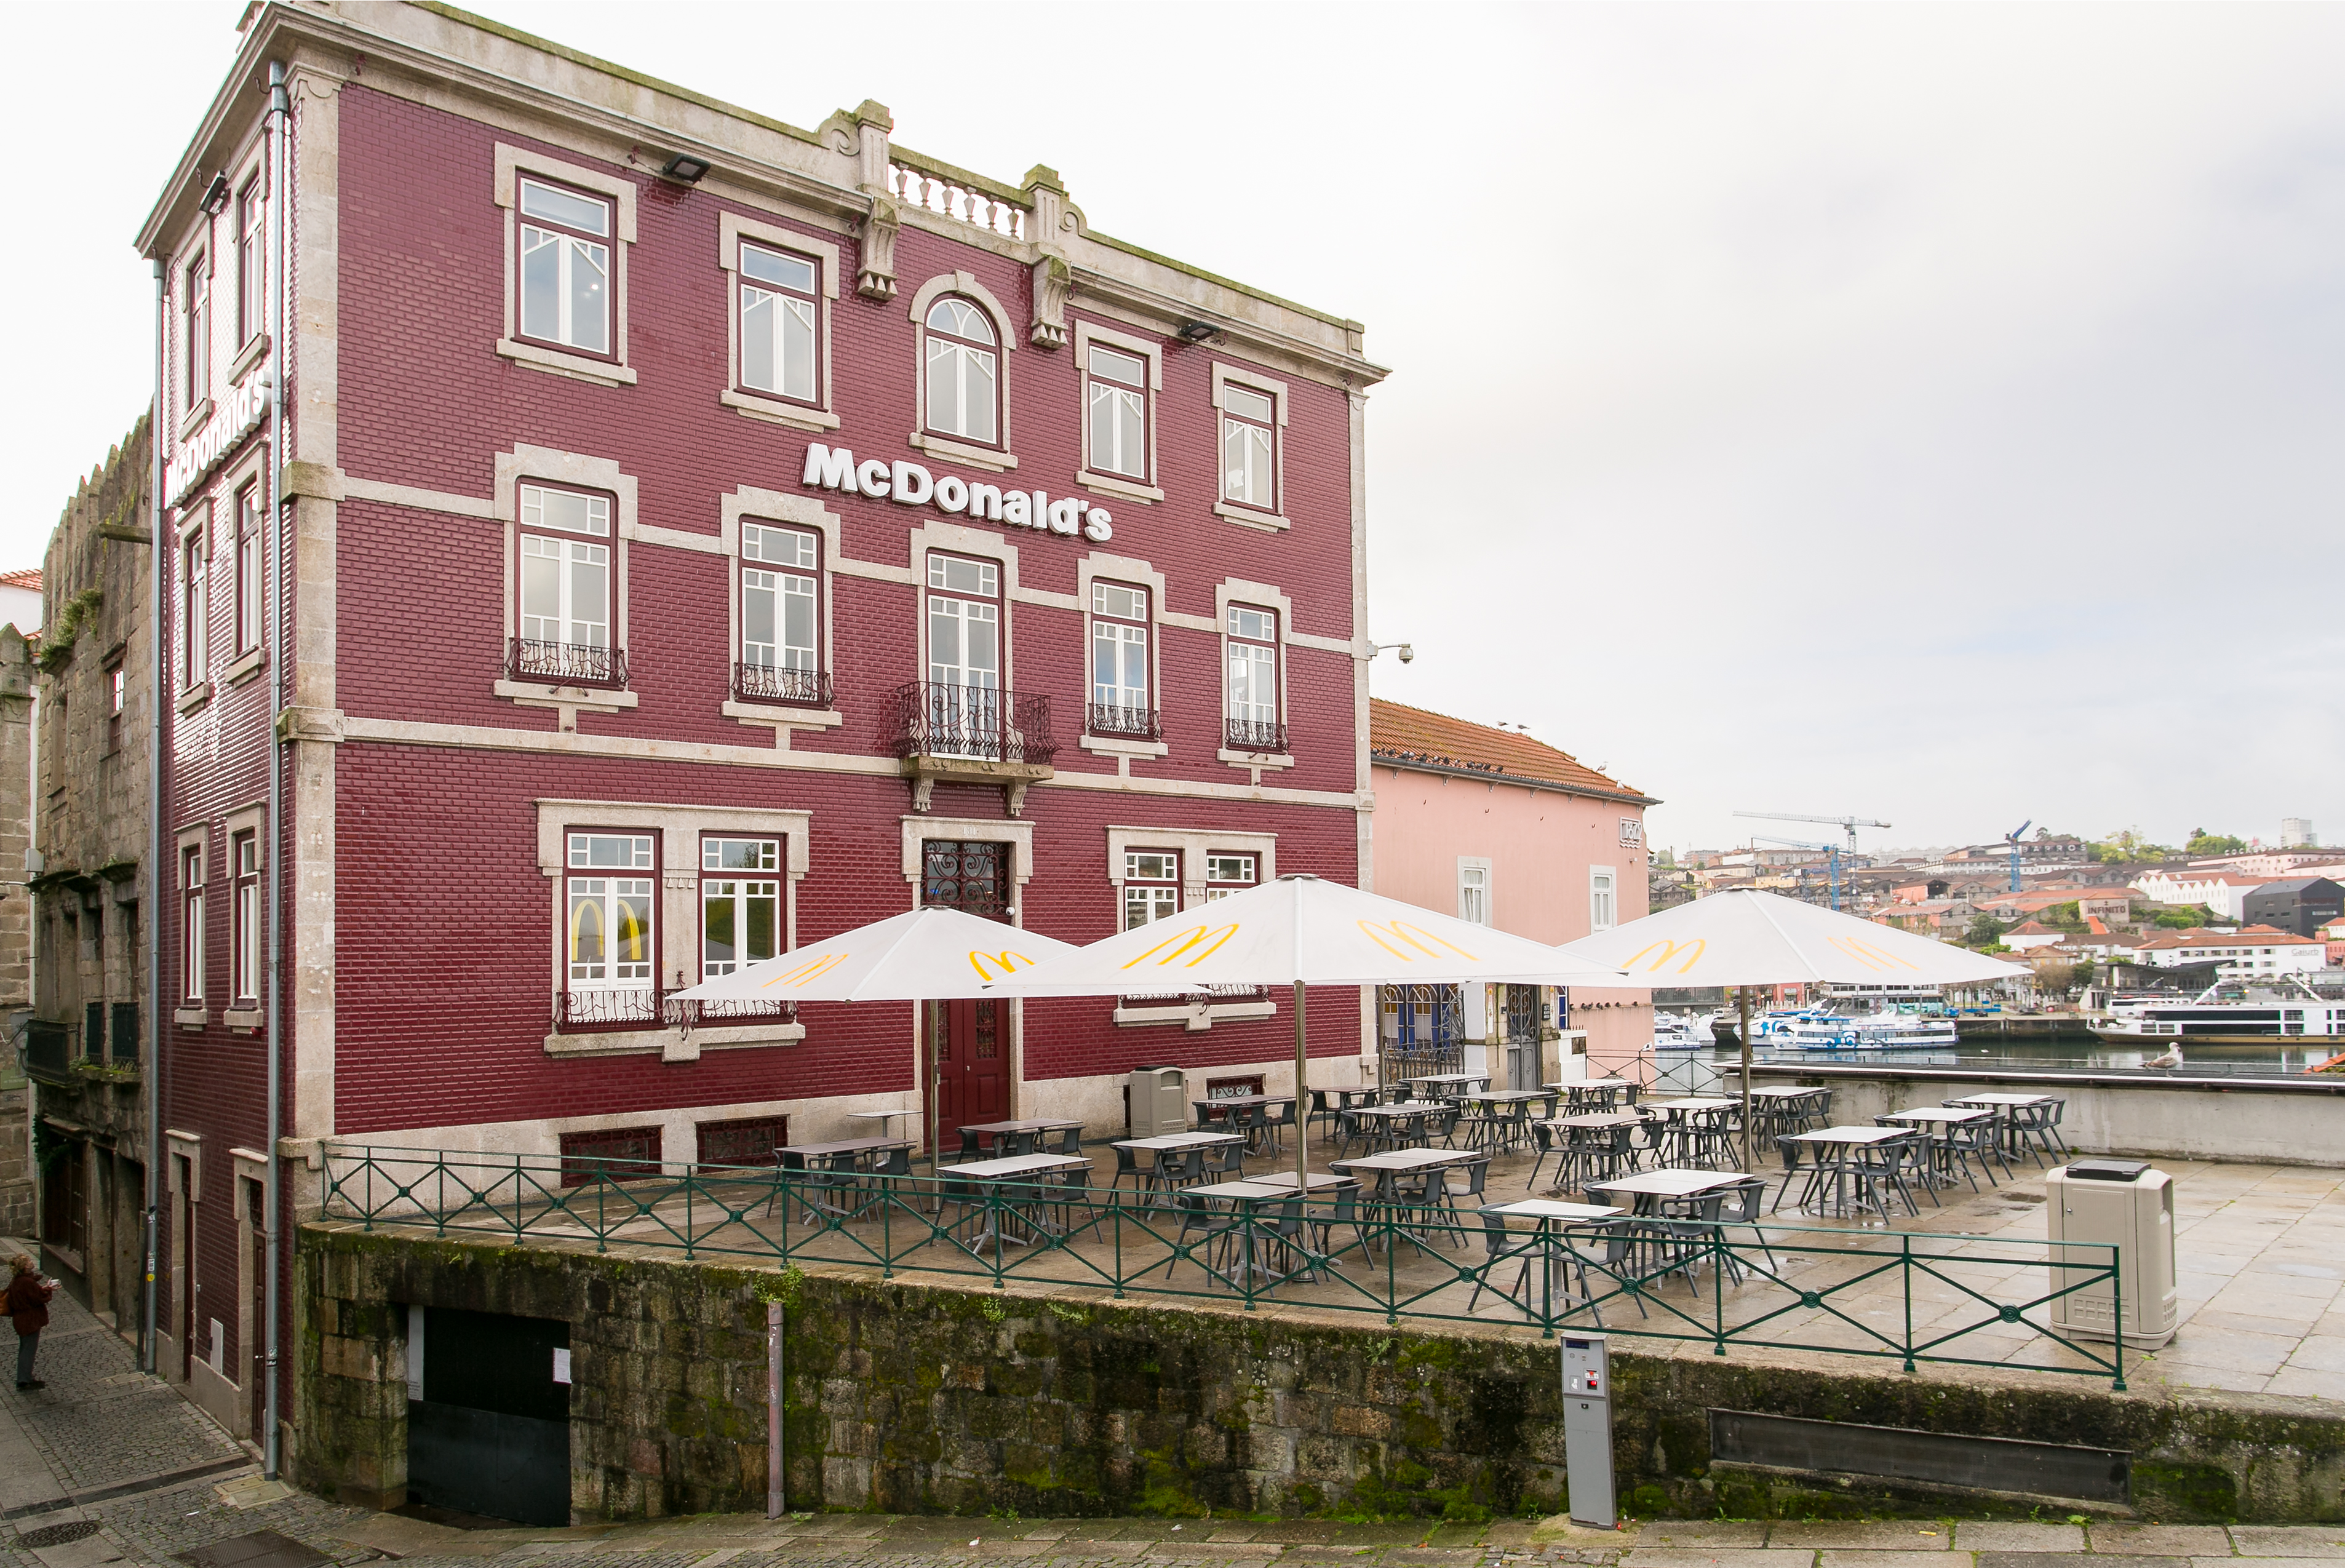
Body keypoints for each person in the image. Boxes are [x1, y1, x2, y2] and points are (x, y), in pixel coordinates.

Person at [7, 1253, 55, 1391]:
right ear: (24, 1267)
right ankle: (24, 1380)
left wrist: (44, 1289)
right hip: (29, 1320)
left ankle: (26, 1377)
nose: (30, 1262)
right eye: (28, 1262)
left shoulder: (18, 1281)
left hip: (22, 1319)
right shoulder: (26, 1282)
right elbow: (38, 1298)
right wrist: (48, 1291)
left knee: (25, 1348)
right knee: (28, 1350)